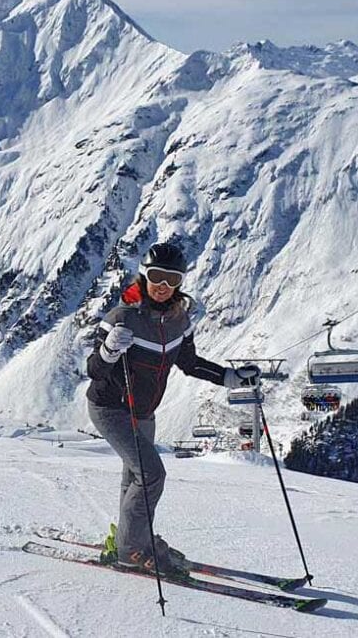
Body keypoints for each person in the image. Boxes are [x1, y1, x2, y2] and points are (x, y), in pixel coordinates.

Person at [86, 242, 257, 576]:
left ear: (180, 283)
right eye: (157, 276)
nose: (163, 285)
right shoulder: (122, 318)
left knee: (134, 478)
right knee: (151, 475)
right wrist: (108, 351)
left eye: (172, 278)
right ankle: (133, 548)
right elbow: (94, 370)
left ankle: (128, 540)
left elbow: (189, 363)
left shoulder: (179, 321)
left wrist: (230, 377)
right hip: (110, 407)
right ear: (145, 276)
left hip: (144, 411)